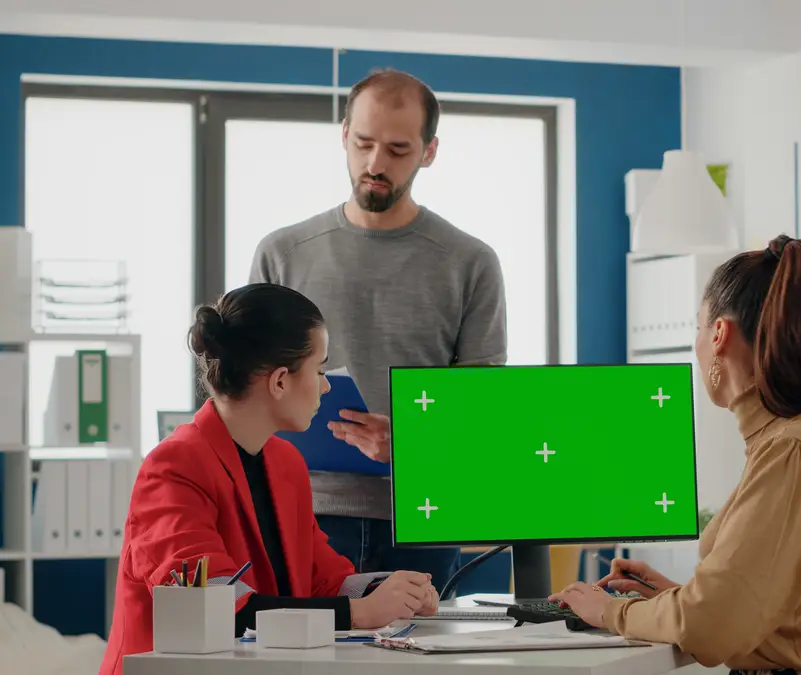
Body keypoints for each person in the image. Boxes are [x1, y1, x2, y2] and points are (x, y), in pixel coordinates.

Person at [550, 235, 801, 675]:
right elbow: (758, 613)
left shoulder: (792, 452)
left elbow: (710, 627)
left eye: (698, 327)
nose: (696, 344)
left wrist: (609, 612)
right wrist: (674, 598)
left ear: (719, 334)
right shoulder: (794, 440)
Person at [248, 68, 506, 591]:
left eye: (397, 149)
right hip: (303, 510)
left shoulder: (471, 262)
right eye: (363, 143)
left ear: (430, 151)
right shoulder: (282, 253)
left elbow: (481, 409)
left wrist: (413, 440)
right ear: (343, 135)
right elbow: (245, 389)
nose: (375, 164)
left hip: (424, 513)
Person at [99, 284, 439, 675]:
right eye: (321, 369)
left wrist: (392, 591)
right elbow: (217, 609)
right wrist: (357, 614)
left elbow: (324, 579)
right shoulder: (174, 467)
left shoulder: (285, 462)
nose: (326, 385)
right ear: (279, 381)